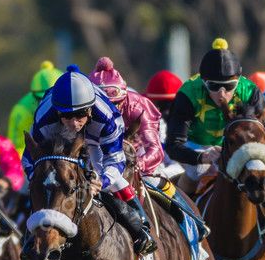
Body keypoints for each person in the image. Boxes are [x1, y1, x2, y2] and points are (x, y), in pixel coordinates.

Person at [23, 64, 157, 256]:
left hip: (96, 139)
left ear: (90, 110)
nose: (74, 123)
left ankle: (141, 227)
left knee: (113, 180)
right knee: (46, 186)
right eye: (67, 115)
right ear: (58, 112)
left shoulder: (107, 117)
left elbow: (115, 161)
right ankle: (29, 239)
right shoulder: (45, 120)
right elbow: (29, 161)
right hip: (58, 139)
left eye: (80, 115)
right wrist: (40, 180)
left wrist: (101, 181)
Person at [89, 56, 208, 237]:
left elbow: (155, 149)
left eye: (115, 104)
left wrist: (140, 164)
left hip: (136, 159)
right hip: (99, 160)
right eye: (102, 105)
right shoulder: (84, 109)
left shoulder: (139, 106)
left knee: (157, 183)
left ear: (124, 97)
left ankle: (191, 222)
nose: (109, 111)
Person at [163, 38, 265, 194]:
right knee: (197, 170)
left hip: (235, 144)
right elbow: (173, 146)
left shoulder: (250, 91)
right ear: (203, 81)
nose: (222, 94)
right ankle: (181, 207)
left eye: (229, 86)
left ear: (238, 81)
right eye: (213, 86)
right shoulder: (188, 94)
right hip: (195, 145)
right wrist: (202, 157)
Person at [8, 60, 63, 155]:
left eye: (51, 97)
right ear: (33, 94)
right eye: (41, 98)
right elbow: (17, 148)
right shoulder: (22, 111)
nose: (46, 103)